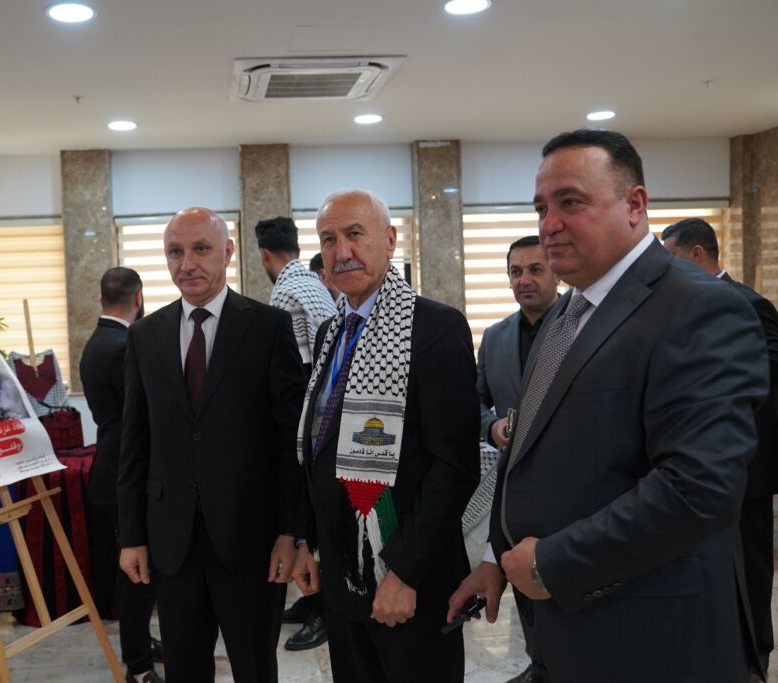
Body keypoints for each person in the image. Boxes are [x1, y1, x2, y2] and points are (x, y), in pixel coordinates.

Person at [449, 129, 769, 682]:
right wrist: (495, 558)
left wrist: (552, 563)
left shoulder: (698, 307)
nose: (549, 224)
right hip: (563, 624)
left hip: (650, 638)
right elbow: (527, 447)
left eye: (571, 202)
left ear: (635, 205)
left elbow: (699, 489)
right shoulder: (566, 313)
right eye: (542, 208)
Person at [292, 189, 479, 682]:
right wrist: (312, 544)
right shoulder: (332, 331)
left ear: (391, 240)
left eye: (355, 234)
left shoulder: (435, 328)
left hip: (411, 583)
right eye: (328, 239)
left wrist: (404, 571)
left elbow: (455, 469)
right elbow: (319, 447)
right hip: (344, 579)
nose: (342, 251)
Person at [118, 207, 304, 683]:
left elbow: (289, 441)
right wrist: (132, 536)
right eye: (175, 253)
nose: (187, 264)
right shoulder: (145, 336)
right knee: (184, 670)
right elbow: (135, 442)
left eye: (200, 249)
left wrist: (291, 532)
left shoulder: (268, 328)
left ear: (227, 252)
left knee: (255, 668)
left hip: (251, 538)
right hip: (172, 541)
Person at [662, 217, 778, 674]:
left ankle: (756, 659)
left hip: (745, 471)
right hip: (696, 472)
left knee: (750, 570)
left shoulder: (749, 304)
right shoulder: (683, 306)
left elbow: (766, 384)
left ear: (696, 254)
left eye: (672, 258)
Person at [475, 235, 558, 683]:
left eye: (535, 269)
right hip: (515, 490)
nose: (524, 279)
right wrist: (491, 425)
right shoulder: (495, 337)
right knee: (522, 581)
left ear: (556, 272)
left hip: (570, 487)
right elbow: (475, 400)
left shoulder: (581, 325)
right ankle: (539, 665)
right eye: (515, 271)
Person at [254, 217, 337, 651]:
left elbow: (295, 369)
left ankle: (323, 607)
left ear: (263, 255)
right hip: (327, 410)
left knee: (311, 514)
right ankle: (313, 598)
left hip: (311, 417)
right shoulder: (312, 283)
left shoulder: (283, 291)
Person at [79, 266, 162, 683]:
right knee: (138, 573)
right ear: (139, 299)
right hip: (124, 472)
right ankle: (139, 665)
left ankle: (142, 642)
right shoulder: (123, 346)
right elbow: (141, 415)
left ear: (100, 299)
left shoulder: (96, 341)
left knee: (134, 571)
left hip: (111, 463)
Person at [256, 217, 338, 373]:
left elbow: (297, 368)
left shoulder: (287, 294)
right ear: (298, 250)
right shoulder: (319, 286)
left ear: (264, 254)